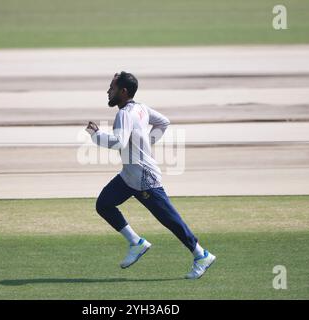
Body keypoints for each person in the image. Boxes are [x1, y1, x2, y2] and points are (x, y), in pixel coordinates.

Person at [85, 71, 215, 279]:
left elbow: (119, 142)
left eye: (112, 87)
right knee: (104, 204)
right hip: (129, 177)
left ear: (123, 91)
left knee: (170, 219)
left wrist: (96, 136)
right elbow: (164, 122)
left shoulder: (125, 114)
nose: (108, 91)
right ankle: (136, 243)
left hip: (144, 178)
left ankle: (201, 255)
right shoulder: (141, 108)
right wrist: (145, 144)